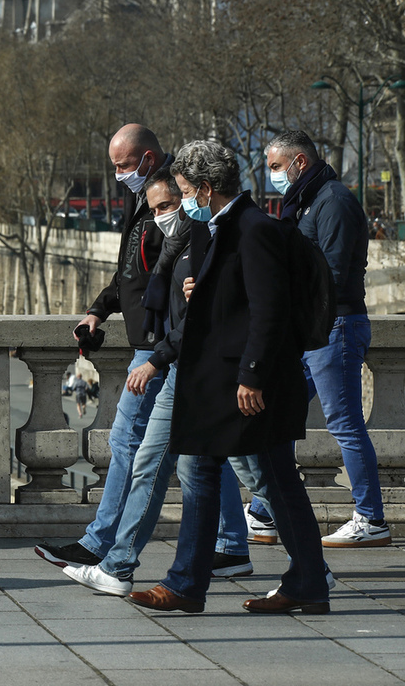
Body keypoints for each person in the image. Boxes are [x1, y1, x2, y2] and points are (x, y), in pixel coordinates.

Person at [127, 140, 329, 615]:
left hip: (247, 384)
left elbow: (269, 311)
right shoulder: (221, 229)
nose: (182, 201)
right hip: (222, 381)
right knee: (249, 476)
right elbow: (228, 306)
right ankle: (297, 582)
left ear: (205, 187)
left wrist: (252, 377)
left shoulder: (253, 229)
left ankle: (193, 585)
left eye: (183, 190)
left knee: (269, 479)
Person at [64, 167, 256, 597]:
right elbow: (157, 298)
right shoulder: (180, 243)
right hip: (179, 365)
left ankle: (302, 565)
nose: (165, 213)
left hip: (208, 369)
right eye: (157, 208)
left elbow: (224, 313)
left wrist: (156, 358)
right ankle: (124, 566)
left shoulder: (228, 234)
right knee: (165, 462)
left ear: (202, 191)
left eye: (176, 200)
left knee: (258, 474)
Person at [35, 124, 172, 568]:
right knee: (193, 456)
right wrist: (97, 312)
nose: (118, 175)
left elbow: (172, 280)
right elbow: (129, 274)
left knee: (126, 441)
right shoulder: (142, 197)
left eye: (123, 165)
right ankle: (231, 545)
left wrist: (158, 349)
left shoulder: (168, 202)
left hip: (159, 346)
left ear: (148, 158)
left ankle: (99, 544)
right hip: (151, 343)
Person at [262, 130, 390, 548]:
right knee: (278, 413)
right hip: (315, 328)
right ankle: (265, 511)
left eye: (276, 168)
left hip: (333, 326)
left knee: (345, 424)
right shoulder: (309, 200)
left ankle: (370, 519)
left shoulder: (331, 201)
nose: (272, 177)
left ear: (300, 163)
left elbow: (330, 276)